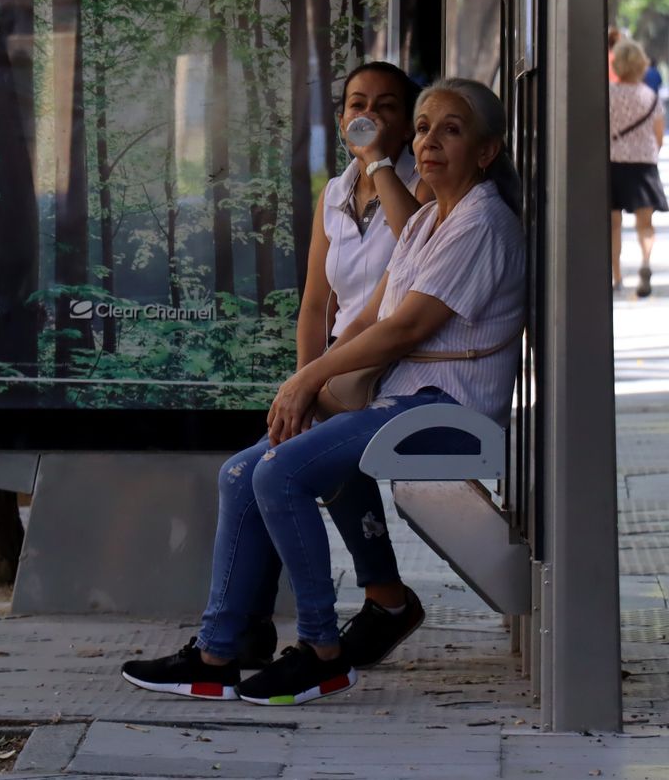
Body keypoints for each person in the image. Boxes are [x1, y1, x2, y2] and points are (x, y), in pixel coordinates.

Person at [122, 77, 527, 706]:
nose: (430, 142)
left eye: (450, 129)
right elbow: (368, 315)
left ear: (485, 151)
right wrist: (308, 381)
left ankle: (322, 651)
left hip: (444, 411)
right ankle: (215, 654)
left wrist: (311, 378)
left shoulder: (480, 222)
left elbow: (408, 327)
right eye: (423, 128)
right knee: (240, 472)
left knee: (280, 474)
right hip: (402, 403)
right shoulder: (427, 222)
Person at [233, 60, 432, 672]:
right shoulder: (336, 191)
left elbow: (414, 241)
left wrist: (378, 163)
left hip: (396, 370)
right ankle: (248, 627)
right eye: (355, 103)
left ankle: (373, 605)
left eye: (386, 106)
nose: (367, 114)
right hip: (340, 370)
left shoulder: (422, 182)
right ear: (341, 115)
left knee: (289, 468)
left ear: (407, 126)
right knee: (279, 455)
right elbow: (317, 303)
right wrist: (303, 384)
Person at [608, 39, 668, 297]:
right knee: (645, 223)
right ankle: (645, 260)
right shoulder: (650, 96)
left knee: (613, 224)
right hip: (643, 166)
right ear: (642, 66)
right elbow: (659, 136)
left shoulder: (607, 94)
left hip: (613, 165)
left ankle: (617, 276)